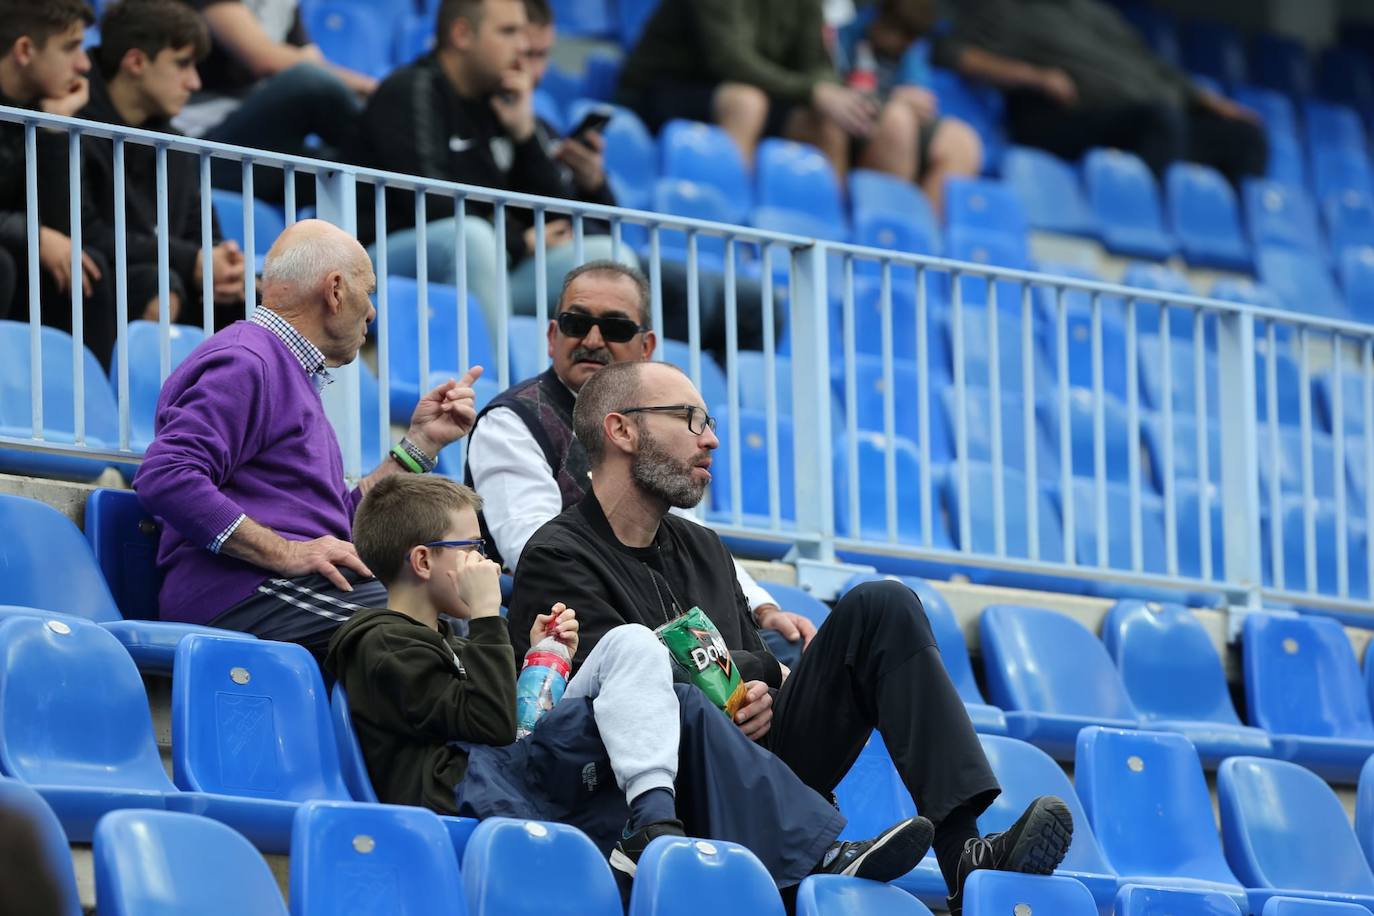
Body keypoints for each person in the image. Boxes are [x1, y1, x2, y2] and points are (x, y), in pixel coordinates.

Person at [509, 360, 1075, 914]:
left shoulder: (705, 548)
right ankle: (818, 852)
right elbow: (622, 681)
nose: (712, 441)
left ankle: (962, 853)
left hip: (762, 757)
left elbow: (754, 661)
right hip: (654, 790)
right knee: (676, 694)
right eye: (691, 419)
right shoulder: (558, 554)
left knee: (884, 604)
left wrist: (767, 695)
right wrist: (751, 679)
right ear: (621, 429)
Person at [326, 471, 933, 887]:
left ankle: (667, 821)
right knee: (675, 695)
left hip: (501, 773)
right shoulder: (378, 642)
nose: (488, 561)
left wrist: (543, 659)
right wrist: (490, 616)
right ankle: (780, 847)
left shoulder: (445, 638)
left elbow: (509, 717)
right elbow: (489, 726)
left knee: (639, 652)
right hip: (466, 795)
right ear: (424, 560)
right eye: (472, 547)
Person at [134, 219, 482, 660]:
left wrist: (420, 445)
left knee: (463, 614)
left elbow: (340, 524)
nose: (372, 312)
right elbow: (166, 475)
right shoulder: (246, 361)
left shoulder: (285, 371)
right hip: (239, 595)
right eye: (368, 291)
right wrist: (284, 553)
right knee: (427, 629)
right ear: (335, 290)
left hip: (290, 592)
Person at [466, 260, 816, 668]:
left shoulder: (663, 431)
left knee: (795, 648)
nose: (593, 340)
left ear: (646, 348)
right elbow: (531, 547)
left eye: (614, 328)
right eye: (576, 323)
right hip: (584, 615)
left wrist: (761, 607)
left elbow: (691, 537)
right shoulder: (513, 419)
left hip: (657, 609)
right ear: (551, 335)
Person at [349, 0, 636, 333]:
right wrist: (520, 243)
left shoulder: (498, 106)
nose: (523, 45)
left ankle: (619, 385)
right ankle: (493, 384)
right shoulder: (411, 90)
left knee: (608, 260)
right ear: (462, 35)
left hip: (485, 267)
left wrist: (525, 136)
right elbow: (432, 202)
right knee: (473, 237)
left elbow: (558, 219)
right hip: (384, 265)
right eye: (508, 32)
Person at [933, 0, 1266, 184]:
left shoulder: (1095, 13)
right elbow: (952, 53)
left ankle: (1210, 228)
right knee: (1159, 120)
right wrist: (1033, 76)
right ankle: (1143, 216)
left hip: (1148, 120)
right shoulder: (1004, 9)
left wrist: (1207, 100)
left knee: (1245, 136)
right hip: (1068, 117)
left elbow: (1151, 64)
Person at [71, 0, 245, 330]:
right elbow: (85, 233)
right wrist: (191, 260)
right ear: (135, 61)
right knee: (156, 288)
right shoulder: (68, 125)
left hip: (169, 280)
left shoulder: (174, 143)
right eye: (182, 64)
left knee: (258, 297)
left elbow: (204, 235)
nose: (194, 83)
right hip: (97, 291)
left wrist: (225, 264)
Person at [616, 0, 893, 176]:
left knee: (827, 122)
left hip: (755, 91)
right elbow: (731, 62)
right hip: (662, 89)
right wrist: (813, 90)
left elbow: (816, 62)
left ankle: (828, 241)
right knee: (746, 103)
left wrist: (825, 90)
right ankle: (728, 222)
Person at [0, 0, 118, 367]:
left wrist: (53, 129)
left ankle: (88, 411)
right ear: (24, 50)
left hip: (18, 256)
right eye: (71, 48)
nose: (84, 65)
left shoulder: (52, 113)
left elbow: (66, 228)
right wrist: (30, 234)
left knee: (87, 267)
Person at [172, 0, 374, 202]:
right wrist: (375, 89)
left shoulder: (284, 4)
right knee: (308, 83)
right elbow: (266, 59)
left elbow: (313, 61)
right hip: (198, 146)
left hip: (259, 143)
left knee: (352, 177)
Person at [833, 0, 983, 216]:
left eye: (911, 40)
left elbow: (921, 98)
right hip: (853, 120)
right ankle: (881, 226)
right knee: (898, 119)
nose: (903, 44)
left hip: (898, 123)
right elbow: (831, 86)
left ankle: (917, 236)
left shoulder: (910, 49)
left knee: (962, 141)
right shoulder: (847, 31)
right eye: (898, 34)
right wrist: (892, 97)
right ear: (880, 18)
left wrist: (917, 103)